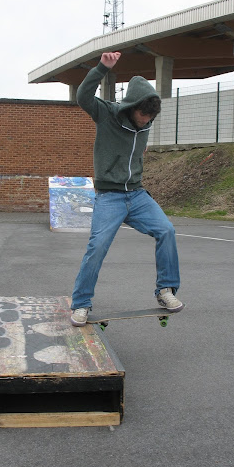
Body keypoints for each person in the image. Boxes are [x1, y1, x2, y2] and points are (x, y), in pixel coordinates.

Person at [70, 51, 183, 326]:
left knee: (166, 230)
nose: (144, 122)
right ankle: (81, 304)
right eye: (141, 117)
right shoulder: (107, 113)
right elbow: (83, 97)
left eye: (149, 120)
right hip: (109, 197)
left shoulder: (147, 121)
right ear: (131, 106)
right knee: (97, 247)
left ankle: (165, 290)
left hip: (137, 194)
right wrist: (101, 69)